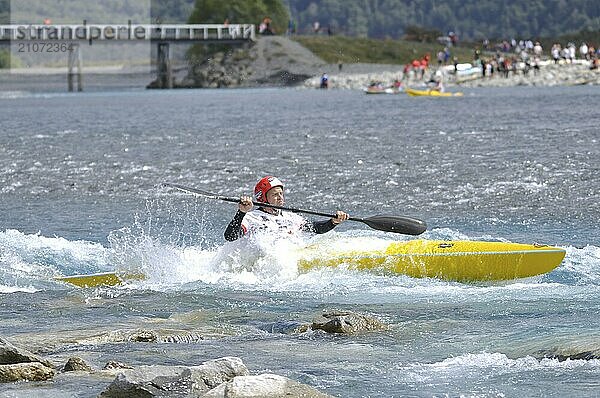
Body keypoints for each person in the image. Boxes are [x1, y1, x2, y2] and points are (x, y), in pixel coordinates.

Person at [224, 176, 349, 242]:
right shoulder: (251, 217)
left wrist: (333, 222)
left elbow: (315, 228)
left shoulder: (290, 217)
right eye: (275, 195)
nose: (280, 198)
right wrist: (241, 212)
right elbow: (230, 236)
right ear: (263, 198)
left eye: (281, 194)